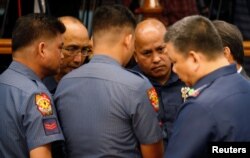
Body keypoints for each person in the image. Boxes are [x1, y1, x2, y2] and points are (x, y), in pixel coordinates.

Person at [54, 5, 164, 158]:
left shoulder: (64, 84)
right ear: (129, 40)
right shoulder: (137, 86)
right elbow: (153, 154)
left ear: (93, 41)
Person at [164, 15, 250, 158]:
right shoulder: (246, 87)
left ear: (193, 58)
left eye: (175, 61)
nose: (174, 69)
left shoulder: (199, 107)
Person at [0, 13, 65, 158]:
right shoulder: (36, 95)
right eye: (60, 48)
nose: (62, 56)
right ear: (42, 49)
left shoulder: (3, 80)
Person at [133, 18, 185, 147]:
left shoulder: (188, 78)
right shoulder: (130, 85)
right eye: (147, 53)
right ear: (135, 56)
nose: (156, 59)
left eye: (161, 49)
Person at [43, 16, 91, 94]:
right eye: (71, 49)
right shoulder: (36, 88)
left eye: (84, 50)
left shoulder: (88, 89)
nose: (78, 60)